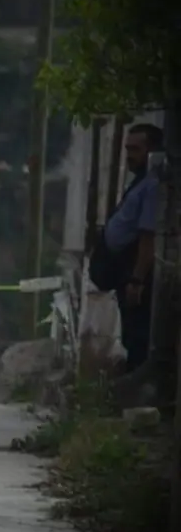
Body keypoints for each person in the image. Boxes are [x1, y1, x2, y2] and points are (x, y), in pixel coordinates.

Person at [102, 123, 162, 373]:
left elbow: (147, 237)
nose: (129, 155)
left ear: (152, 151)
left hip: (134, 268)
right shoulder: (141, 181)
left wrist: (137, 279)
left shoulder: (153, 185)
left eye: (135, 149)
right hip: (123, 265)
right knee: (129, 327)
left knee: (137, 330)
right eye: (127, 148)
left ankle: (137, 382)